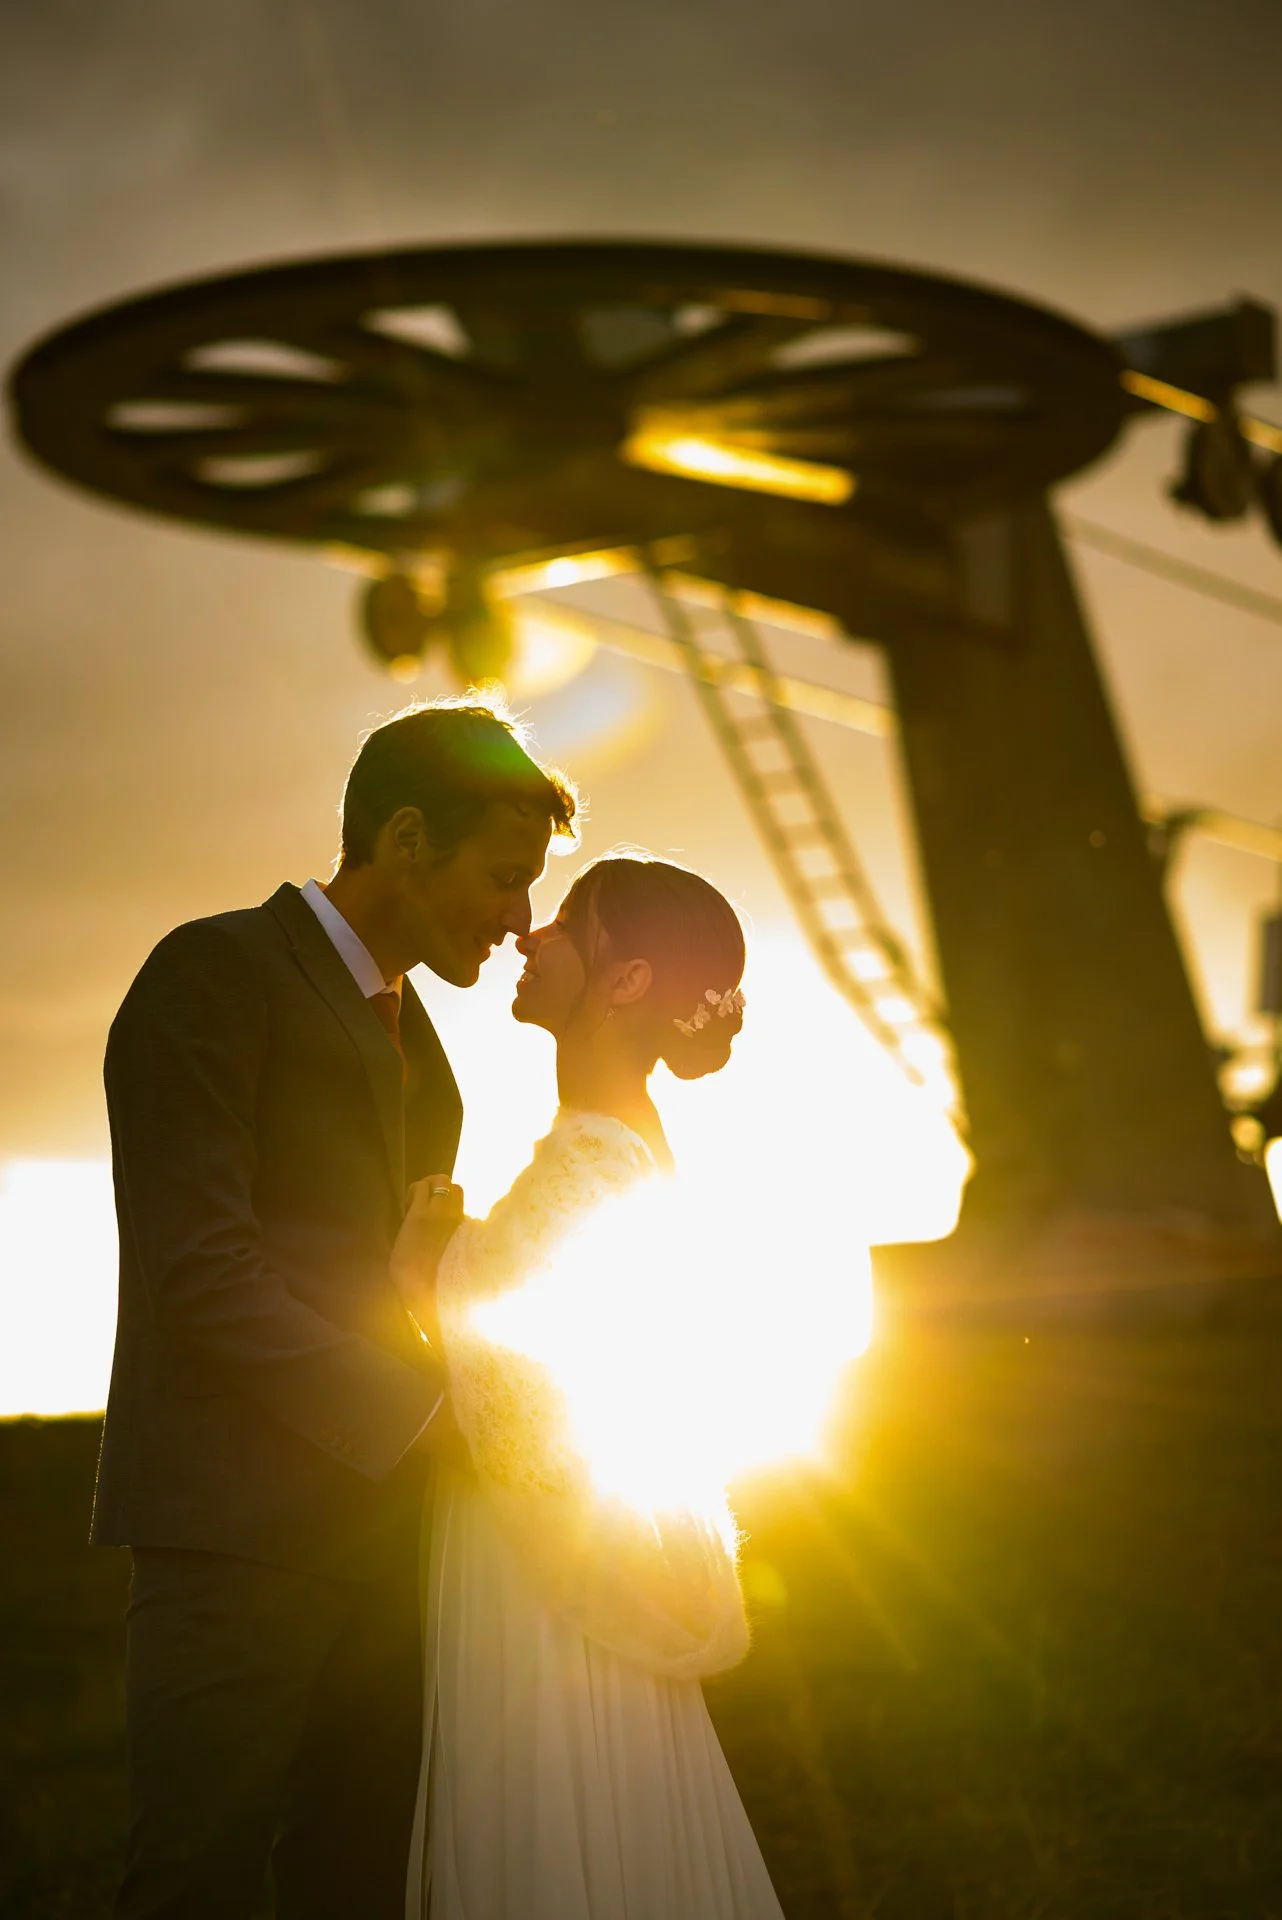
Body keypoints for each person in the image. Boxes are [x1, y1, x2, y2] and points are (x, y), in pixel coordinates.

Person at [93, 698, 577, 1920]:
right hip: (232, 1545)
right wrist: (428, 1420)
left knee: (363, 1885)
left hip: (392, 1554)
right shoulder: (211, 974)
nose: (518, 919)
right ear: (406, 839)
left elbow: (401, 1297)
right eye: (502, 877)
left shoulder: (435, 1063)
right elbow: (201, 1274)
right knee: (192, 1885)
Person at [391, 853, 787, 1920]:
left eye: (570, 922)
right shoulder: (602, 1149)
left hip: (537, 1569)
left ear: (623, 983)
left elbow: (531, 1399)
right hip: (544, 1549)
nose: (530, 935)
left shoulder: (594, 1165)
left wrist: (422, 1275)